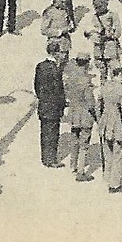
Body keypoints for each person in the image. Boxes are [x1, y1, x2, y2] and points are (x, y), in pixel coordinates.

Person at [97, 66, 122, 192]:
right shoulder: (120, 90)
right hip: (117, 125)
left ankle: (107, 176)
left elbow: (99, 104)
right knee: (119, 154)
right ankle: (115, 185)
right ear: (120, 75)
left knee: (108, 153)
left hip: (105, 123)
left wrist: (100, 119)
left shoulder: (105, 86)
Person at [63, 49, 98, 182]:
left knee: (74, 140)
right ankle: (81, 171)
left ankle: (72, 165)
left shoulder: (71, 77)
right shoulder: (85, 81)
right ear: (87, 64)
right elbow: (90, 103)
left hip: (73, 113)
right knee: (84, 144)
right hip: (84, 116)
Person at [33, 38, 68, 168]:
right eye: (61, 52)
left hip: (43, 105)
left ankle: (45, 157)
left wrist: (42, 98)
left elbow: (36, 85)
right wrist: (63, 104)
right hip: (53, 107)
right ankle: (51, 160)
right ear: (56, 53)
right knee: (52, 134)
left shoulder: (40, 66)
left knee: (44, 132)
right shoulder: (55, 69)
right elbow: (58, 90)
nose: (63, 55)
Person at [91, 0, 122, 80]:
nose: (97, 9)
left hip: (110, 46)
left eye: (99, 6)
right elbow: (91, 32)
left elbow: (118, 31)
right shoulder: (94, 17)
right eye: (96, 7)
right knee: (102, 72)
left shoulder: (112, 15)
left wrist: (110, 35)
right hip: (99, 47)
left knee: (114, 71)